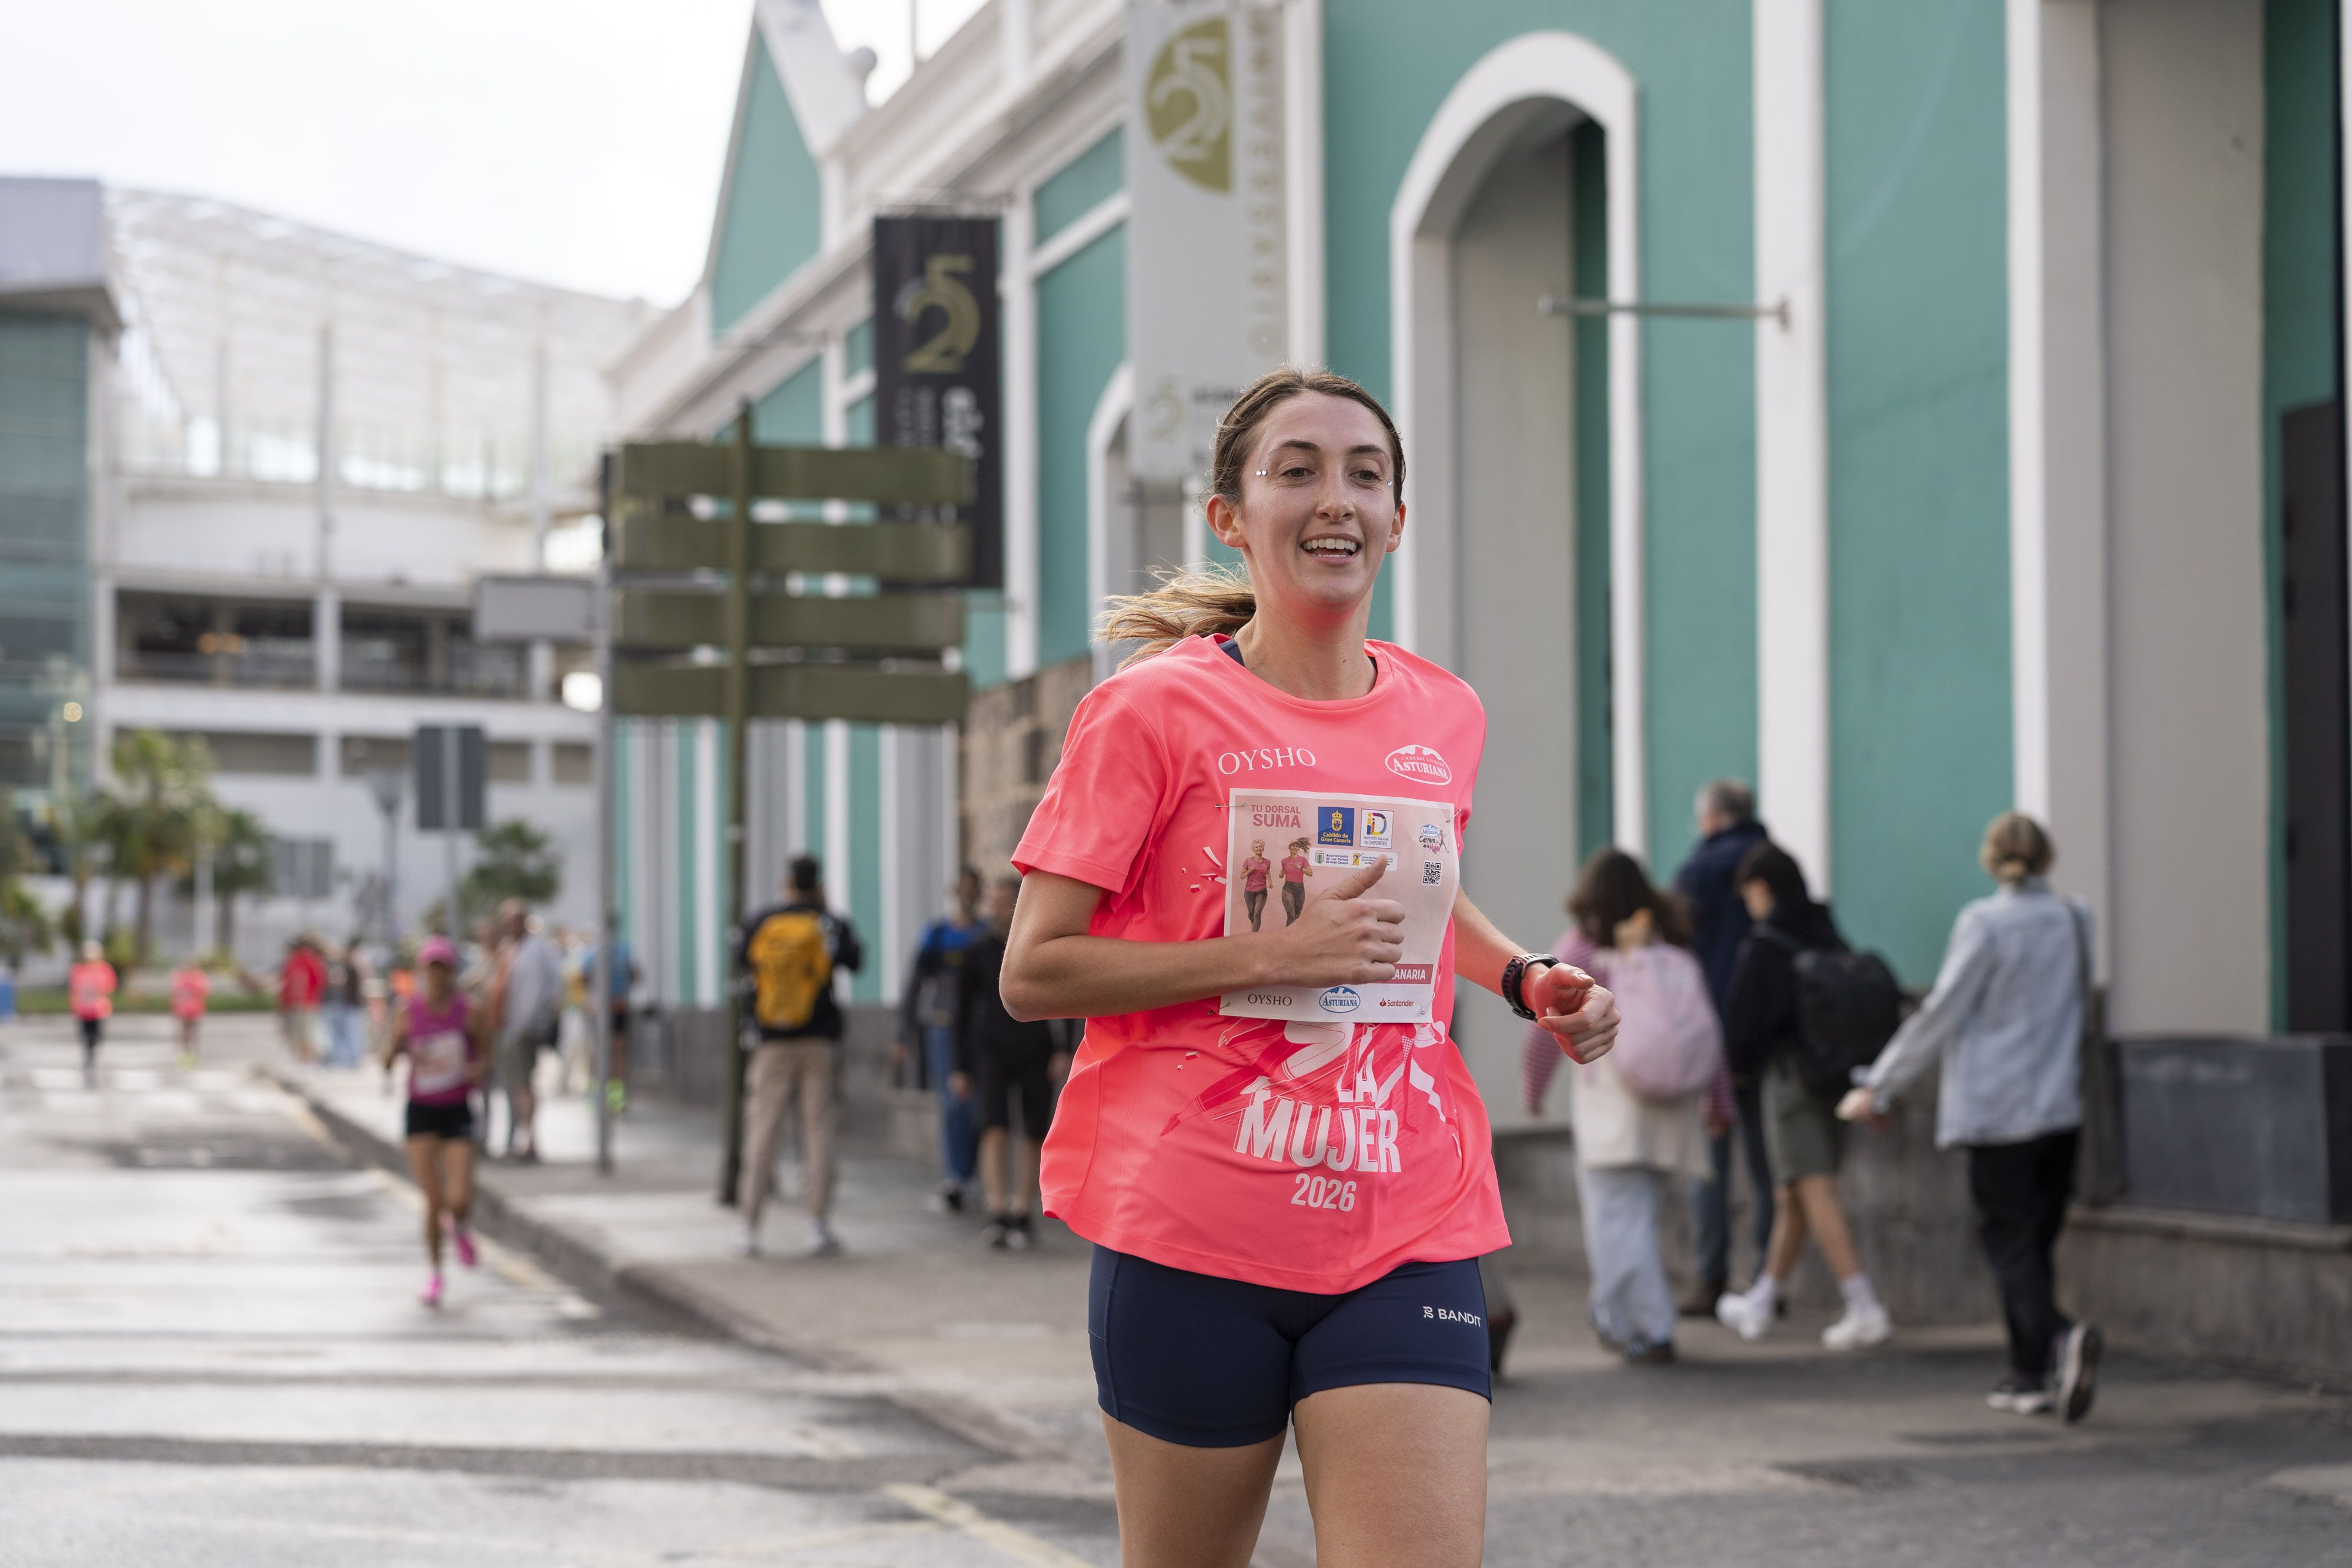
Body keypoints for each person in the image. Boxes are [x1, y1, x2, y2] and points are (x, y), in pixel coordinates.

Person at [997, 367, 1620, 1568]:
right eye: (1296, 470)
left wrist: (1520, 975)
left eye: (1364, 473)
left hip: (1407, 1215)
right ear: (1229, 514)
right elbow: (1036, 969)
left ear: (1397, 517)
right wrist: (1267, 954)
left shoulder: (1443, 713)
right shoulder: (1148, 712)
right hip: (1192, 1228)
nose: (1334, 496)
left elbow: (1416, 896)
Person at [1840, 812, 2103, 1421]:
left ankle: (2060, 1341)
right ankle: (2028, 1376)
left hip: (1998, 1112)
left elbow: (1939, 1014)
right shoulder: (2075, 918)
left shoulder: (1983, 924)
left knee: (2008, 1246)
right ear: (2046, 857)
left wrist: (1879, 1085)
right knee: (2034, 1245)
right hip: (2060, 1107)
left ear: (1991, 859)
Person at [1522, 851, 1728, 1364]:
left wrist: (1533, 1090)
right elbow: (1707, 1029)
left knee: (1616, 1222)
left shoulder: (1582, 952)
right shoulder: (1671, 949)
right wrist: (1718, 1100)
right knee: (1635, 1219)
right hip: (1670, 1109)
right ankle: (1614, 1314)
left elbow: (1546, 1028)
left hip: (1612, 1107)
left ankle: (1651, 1328)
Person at [1713, 843, 1892, 1350]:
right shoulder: (1827, 931)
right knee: (1793, 1192)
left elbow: (1742, 1027)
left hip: (1790, 1081)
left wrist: (1737, 1075)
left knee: (1814, 1189)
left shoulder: (1765, 945)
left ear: (1761, 888)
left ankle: (1864, 1306)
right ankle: (1763, 1300)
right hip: (1836, 1078)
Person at [1671, 779, 1773, 1313]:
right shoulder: (1773, 861)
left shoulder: (1699, 870)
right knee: (1764, 1163)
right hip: (1765, 1034)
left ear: (1711, 817)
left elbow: (1674, 938)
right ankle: (1766, 1280)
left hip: (1709, 1033)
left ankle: (1710, 1278)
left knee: (1710, 1163)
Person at [736, 855, 863, 1257]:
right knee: (818, 1132)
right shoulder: (828, 922)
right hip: (819, 1041)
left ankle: (750, 1227)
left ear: (787, 881)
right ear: (818, 883)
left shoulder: (763, 920)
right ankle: (816, 1224)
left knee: (762, 1132)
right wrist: (824, 913)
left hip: (772, 1040)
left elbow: (742, 961)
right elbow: (856, 960)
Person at [951, 876, 1075, 1248]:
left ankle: (1022, 1212)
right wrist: (959, 1066)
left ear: (1020, 904)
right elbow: (960, 1012)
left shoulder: (1038, 948)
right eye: (993, 901)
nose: (996, 908)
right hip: (990, 1051)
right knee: (993, 1126)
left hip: (1036, 1047)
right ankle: (997, 1210)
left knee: (1034, 1130)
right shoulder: (978, 952)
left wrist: (1064, 1048)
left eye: (1003, 900)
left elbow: (1066, 997)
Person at [381, 935, 485, 1306]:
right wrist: (394, 1046)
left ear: (452, 972)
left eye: (443, 969)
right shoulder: (408, 1013)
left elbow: (485, 1054)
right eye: (431, 969)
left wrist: (477, 1070)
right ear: (423, 973)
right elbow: (386, 1062)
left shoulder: (468, 1011)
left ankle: (460, 1225)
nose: (437, 977)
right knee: (433, 1201)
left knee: (459, 1198)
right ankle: (436, 1274)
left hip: (457, 1108)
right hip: (421, 1109)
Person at [898, 868, 988, 1212]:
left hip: (980, 1031)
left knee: (978, 1106)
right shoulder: (937, 934)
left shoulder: (984, 935)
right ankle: (955, 1175)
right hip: (945, 1029)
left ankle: (971, 1175)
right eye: (962, 889)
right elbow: (915, 983)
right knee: (952, 1104)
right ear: (954, 892)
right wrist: (903, 1031)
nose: (967, 896)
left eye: (972, 890)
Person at [489, 901, 563, 1162]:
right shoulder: (516, 949)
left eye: (516, 920)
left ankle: (528, 1141)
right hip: (513, 1026)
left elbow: (534, 993)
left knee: (522, 1087)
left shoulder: (533, 951)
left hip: (521, 1029)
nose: (512, 926)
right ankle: (525, 1139)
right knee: (519, 1086)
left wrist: (522, 1026)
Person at [68, 941, 115, 1081]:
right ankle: (89, 1060)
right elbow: (74, 989)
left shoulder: (104, 969)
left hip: (99, 1010)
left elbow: (109, 987)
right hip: (83, 1011)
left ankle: (92, 1056)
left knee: (98, 1037)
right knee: (85, 1037)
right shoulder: (78, 970)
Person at [278, 937, 326, 1064]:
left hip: (301, 1005)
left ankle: (306, 1064)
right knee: (301, 1036)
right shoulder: (309, 961)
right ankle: (303, 1064)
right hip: (305, 1004)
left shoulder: (300, 962)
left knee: (303, 1037)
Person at [324, 941, 368, 1068]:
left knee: (352, 1034)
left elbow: (342, 983)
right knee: (348, 1034)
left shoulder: (351, 968)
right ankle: (348, 1059)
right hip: (348, 1005)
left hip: (352, 1005)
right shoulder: (349, 968)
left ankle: (353, 1059)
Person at [169, 956, 209, 1065]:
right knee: (184, 1033)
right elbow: (176, 992)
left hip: (196, 1010)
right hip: (184, 1010)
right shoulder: (180, 977)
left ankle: (195, 1054)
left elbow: (203, 991)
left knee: (195, 1033)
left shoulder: (199, 977)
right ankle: (185, 1054)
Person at [1279, 837, 1314, 925]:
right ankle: (1287, 937)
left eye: (1297, 846)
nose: (1295, 848)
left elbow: (1311, 873)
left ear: (1299, 848)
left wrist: (1301, 868)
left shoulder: (1303, 860)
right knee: (1291, 915)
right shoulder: (1284, 861)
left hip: (1300, 890)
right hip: (1288, 889)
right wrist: (1281, 874)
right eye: (1293, 846)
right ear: (1289, 847)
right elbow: (1284, 870)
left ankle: (1293, 937)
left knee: (1297, 917)